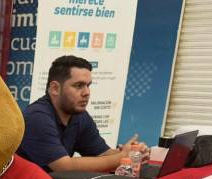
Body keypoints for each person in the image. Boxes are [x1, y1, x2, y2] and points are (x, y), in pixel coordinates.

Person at [17, 55, 150, 172]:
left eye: (88, 85)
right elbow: (63, 166)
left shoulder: (79, 115)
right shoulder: (37, 117)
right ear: (55, 88)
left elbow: (103, 154)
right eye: (79, 85)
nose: (86, 92)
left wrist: (134, 153)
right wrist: (121, 158)